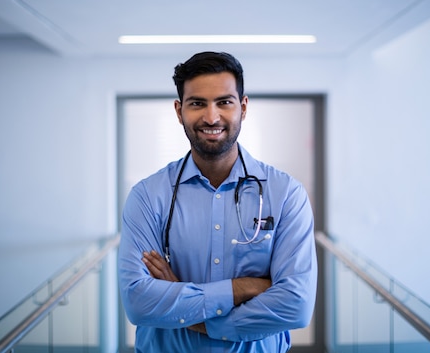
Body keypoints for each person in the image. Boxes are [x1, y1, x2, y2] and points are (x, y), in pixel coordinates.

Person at [118, 51, 317, 352]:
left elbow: (296, 306)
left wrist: (182, 304)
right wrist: (244, 288)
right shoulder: (148, 196)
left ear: (243, 107)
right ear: (179, 110)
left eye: (224, 102)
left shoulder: (286, 194)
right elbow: (138, 302)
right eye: (197, 103)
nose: (211, 117)